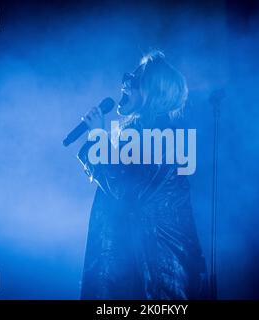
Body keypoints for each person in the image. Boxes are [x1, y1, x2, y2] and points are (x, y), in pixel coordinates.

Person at [77, 50, 208, 299]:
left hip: (158, 274)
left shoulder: (162, 139)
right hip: (132, 267)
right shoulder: (134, 135)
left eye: (134, 80)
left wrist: (96, 138)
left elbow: (126, 192)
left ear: (153, 94)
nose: (124, 83)